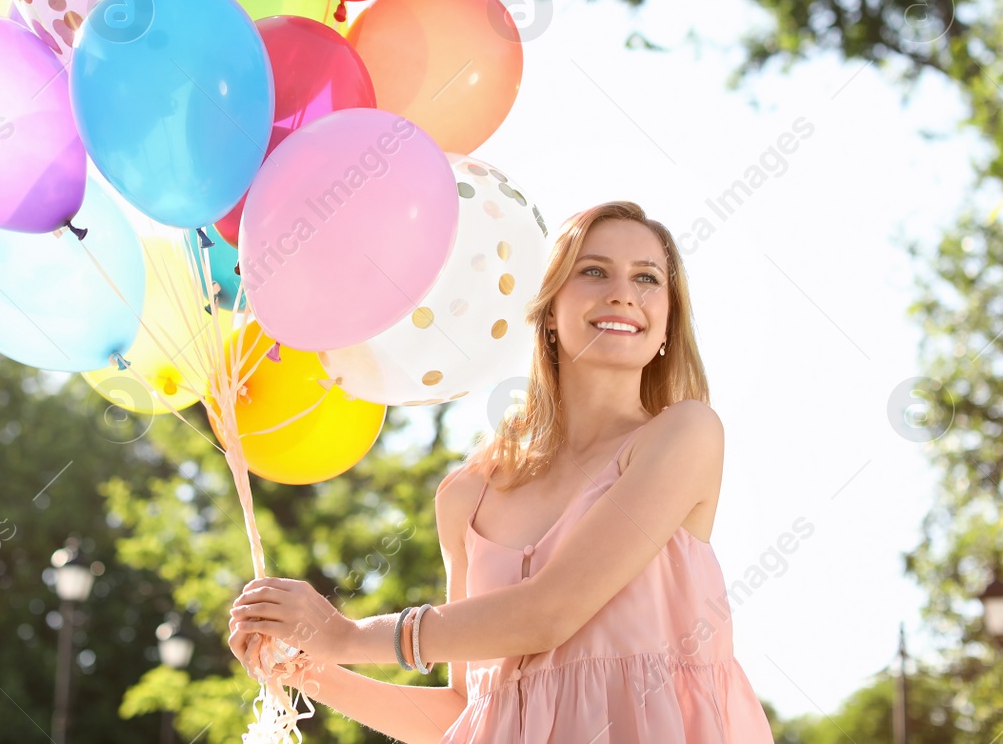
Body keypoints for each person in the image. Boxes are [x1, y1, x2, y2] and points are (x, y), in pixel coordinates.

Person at [229, 201, 776, 742]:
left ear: (666, 327)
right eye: (593, 270)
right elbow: (468, 712)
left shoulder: (685, 435)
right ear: (549, 311)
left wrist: (347, 637)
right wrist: (306, 667)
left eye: (647, 278)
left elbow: (549, 612)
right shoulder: (469, 494)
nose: (622, 293)